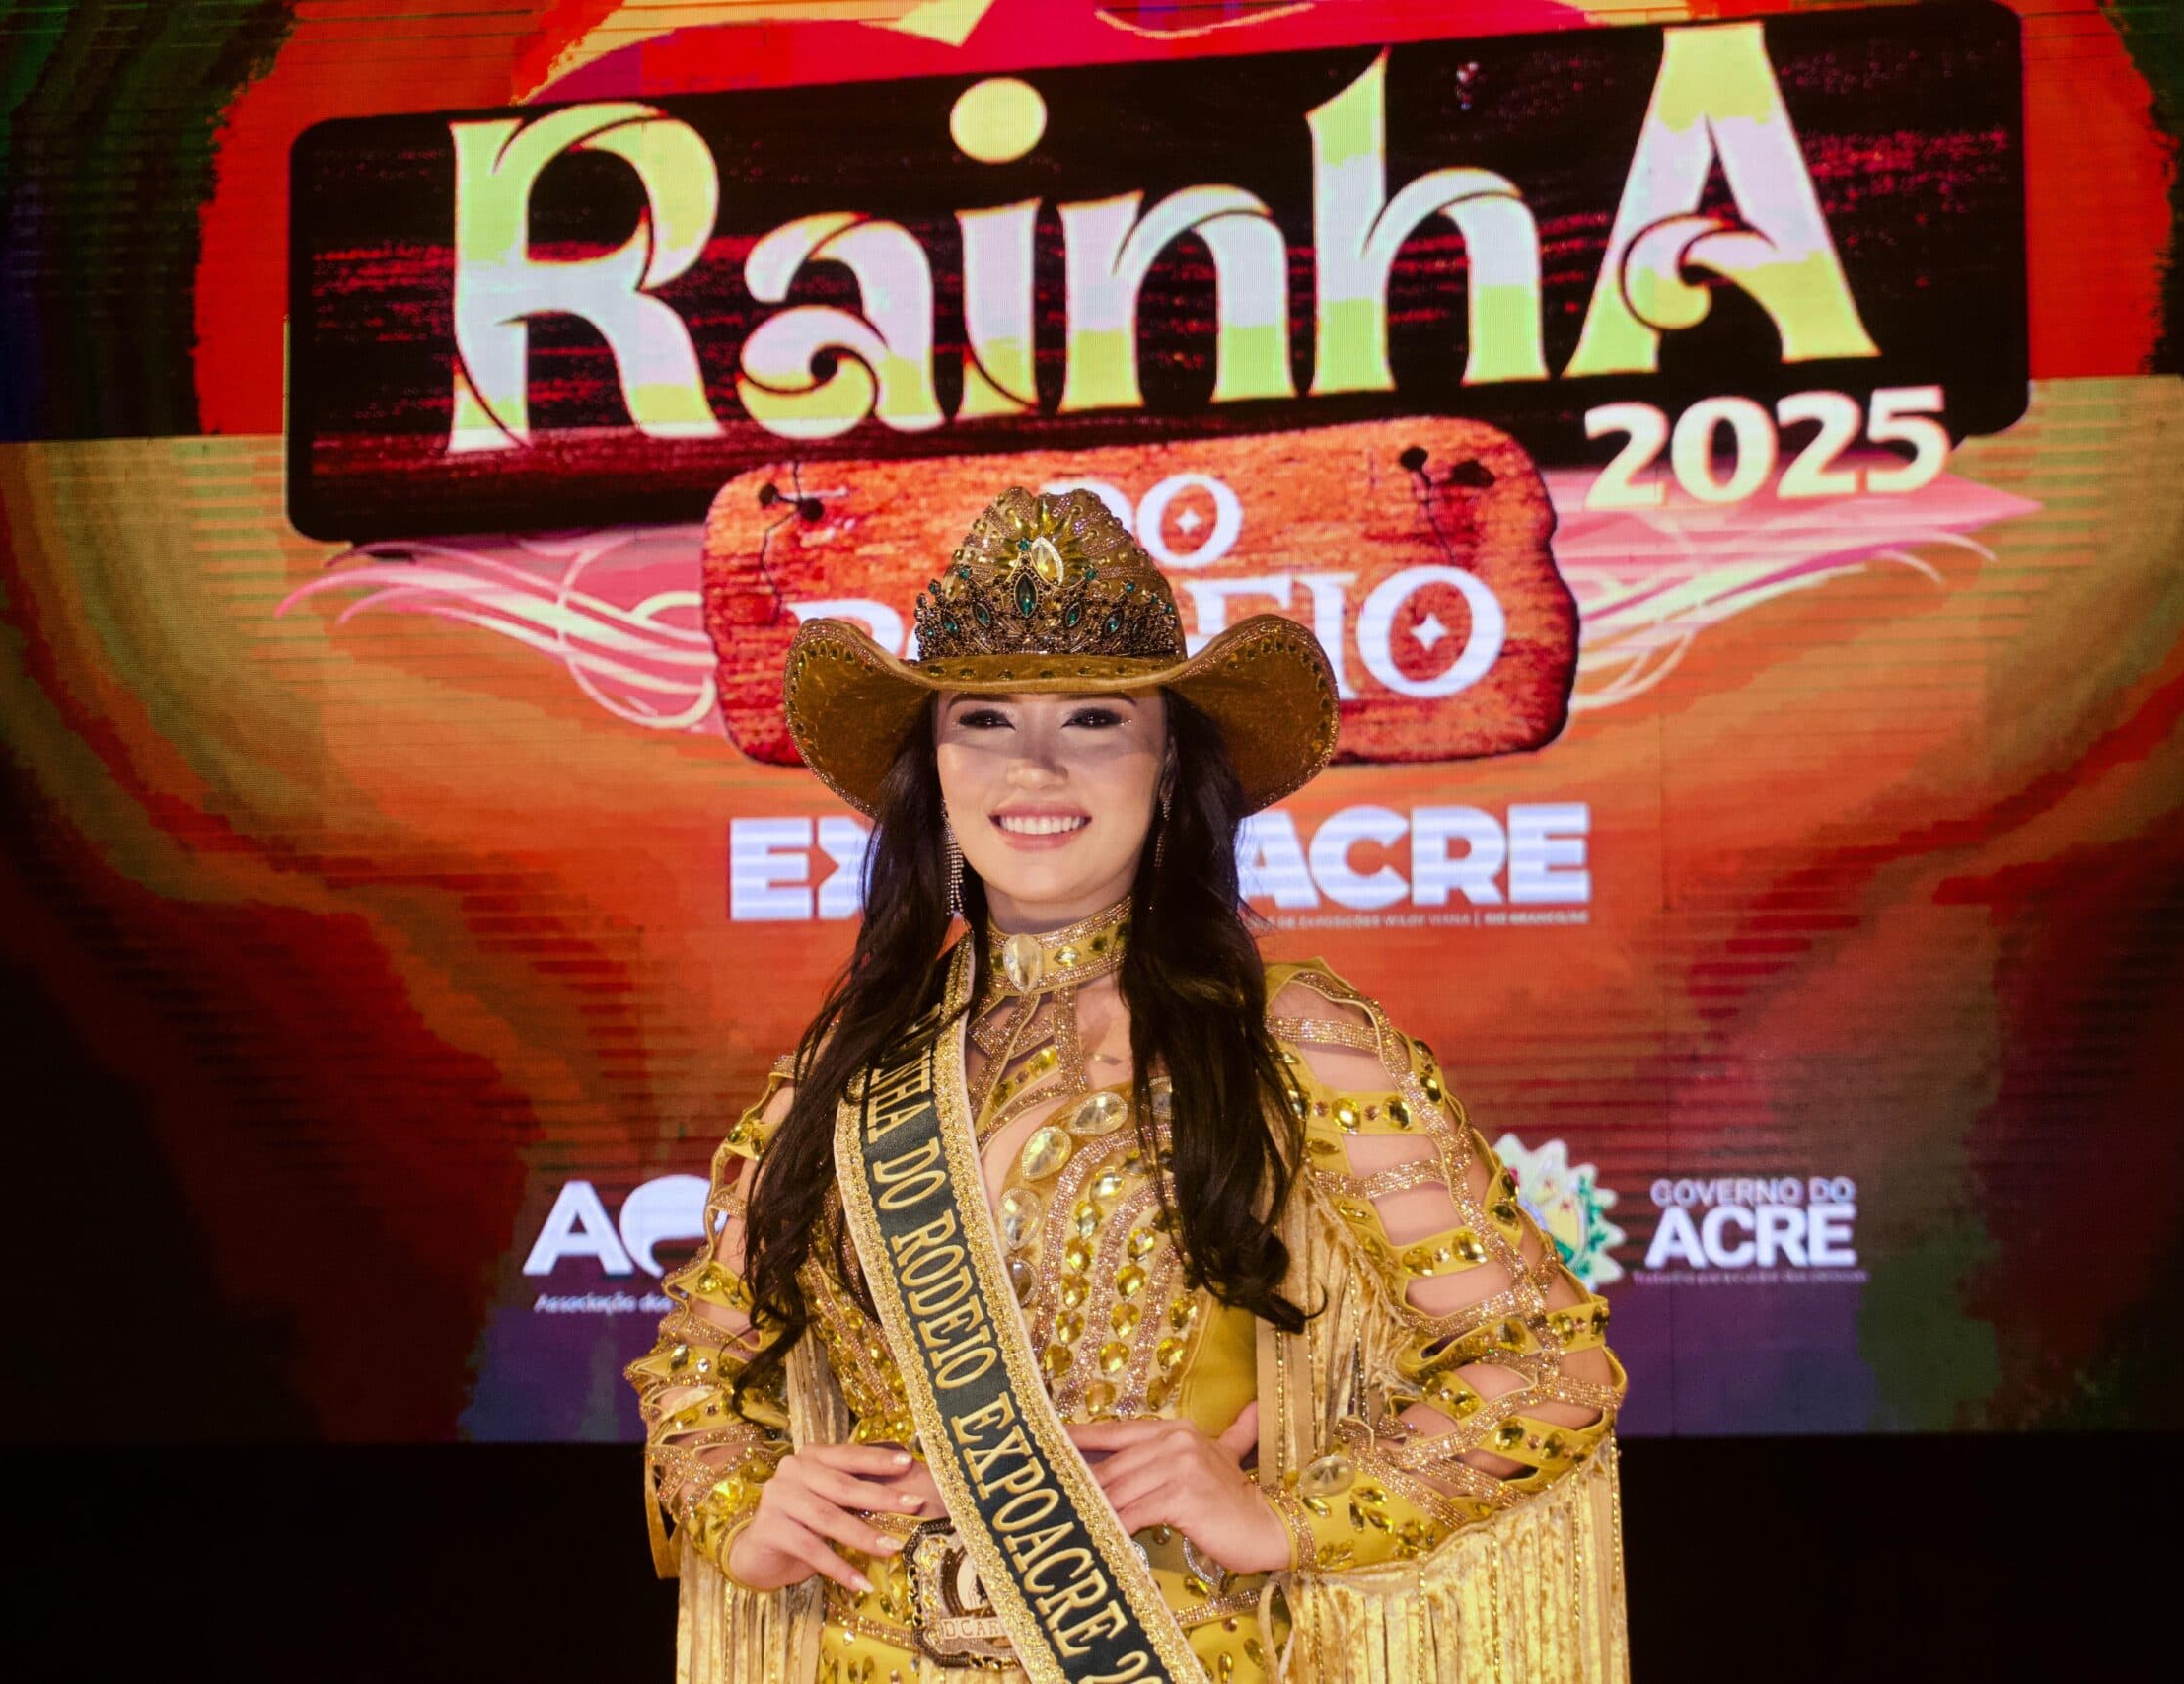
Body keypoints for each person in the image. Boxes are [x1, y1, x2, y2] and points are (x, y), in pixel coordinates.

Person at [629, 487, 1629, 1683]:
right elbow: (695, 1370)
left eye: (1095, 718)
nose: (1034, 764)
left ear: (1168, 771)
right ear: (931, 771)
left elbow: (1544, 1362)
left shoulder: (1287, 1039)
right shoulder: (842, 1070)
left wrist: (1290, 1519)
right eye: (983, 719)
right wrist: (746, 1504)